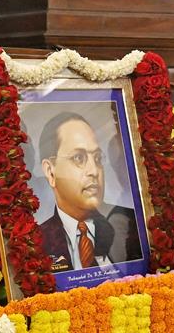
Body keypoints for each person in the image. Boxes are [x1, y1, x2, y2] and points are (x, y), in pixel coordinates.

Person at [38, 111, 141, 273]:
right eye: (78, 158)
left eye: (98, 158)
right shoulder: (33, 243)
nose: (94, 171)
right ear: (51, 172)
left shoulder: (135, 225)